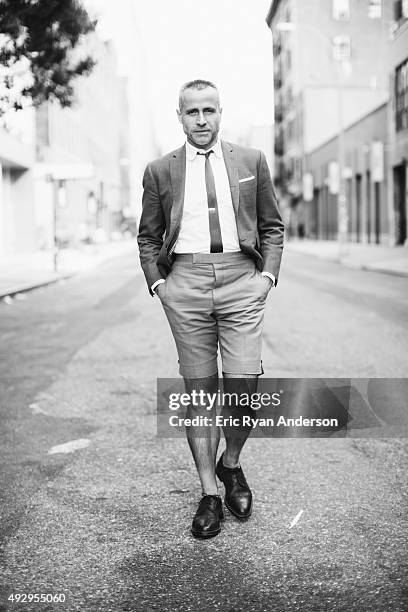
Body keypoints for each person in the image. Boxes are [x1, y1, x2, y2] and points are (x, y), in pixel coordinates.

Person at [137, 79, 284, 538]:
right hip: (185, 282)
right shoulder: (160, 170)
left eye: (209, 111)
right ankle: (208, 494)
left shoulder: (251, 161)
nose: (201, 120)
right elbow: (148, 235)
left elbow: (272, 225)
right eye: (192, 112)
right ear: (179, 117)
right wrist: (161, 284)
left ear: (221, 113)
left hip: (243, 279)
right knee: (200, 394)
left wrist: (266, 277)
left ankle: (231, 463)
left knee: (244, 385)